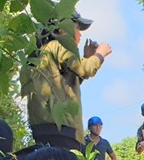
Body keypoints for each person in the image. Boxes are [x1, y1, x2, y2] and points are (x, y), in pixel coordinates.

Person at [23, 14, 112, 150]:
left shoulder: (42, 51)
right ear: (62, 29)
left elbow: (64, 85)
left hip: (43, 127)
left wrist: (86, 57)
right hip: (62, 127)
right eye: (78, 29)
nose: (80, 35)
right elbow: (86, 69)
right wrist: (100, 55)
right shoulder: (58, 44)